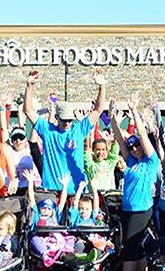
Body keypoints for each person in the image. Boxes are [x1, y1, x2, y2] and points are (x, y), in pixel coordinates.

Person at [23, 69, 106, 197]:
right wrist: (29, 86)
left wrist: (101, 86)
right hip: (52, 191)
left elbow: (98, 110)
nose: (67, 123)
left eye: (69, 120)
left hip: (76, 190)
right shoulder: (48, 130)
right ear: (57, 118)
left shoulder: (78, 130)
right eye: (64, 120)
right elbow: (28, 111)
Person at [113, 94, 160, 271]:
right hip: (127, 209)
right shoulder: (131, 160)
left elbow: (141, 135)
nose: (133, 149)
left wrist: (134, 111)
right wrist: (112, 117)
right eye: (131, 147)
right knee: (137, 250)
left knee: (129, 250)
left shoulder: (151, 161)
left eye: (136, 146)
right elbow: (119, 139)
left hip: (142, 210)